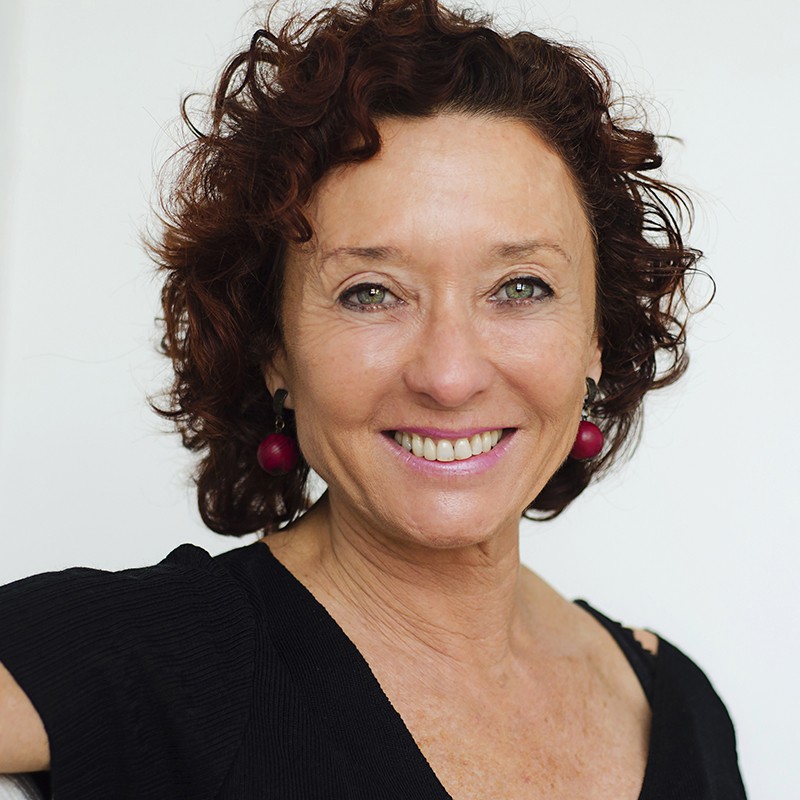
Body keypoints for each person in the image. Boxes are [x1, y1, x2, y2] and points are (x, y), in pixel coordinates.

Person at [0, 0, 747, 797]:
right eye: (370, 293)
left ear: (597, 335)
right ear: (274, 349)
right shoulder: (162, 659)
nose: (449, 376)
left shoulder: (678, 704)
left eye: (521, 286)